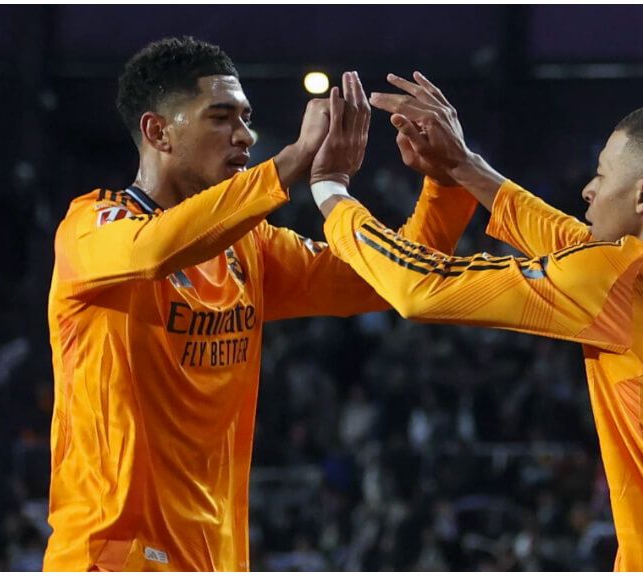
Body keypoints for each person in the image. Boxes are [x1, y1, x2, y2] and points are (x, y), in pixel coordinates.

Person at [308, 71, 643, 571]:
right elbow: (581, 248)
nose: (588, 190)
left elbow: (421, 288)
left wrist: (332, 191)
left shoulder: (623, 280)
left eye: (602, 175)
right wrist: (464, 166)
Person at [43, 40, 476, 571]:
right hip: (112, 556)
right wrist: (292, 161)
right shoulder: (90, 227)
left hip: (218, 558)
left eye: (245, 118)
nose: (244, 135)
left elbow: (382, 280)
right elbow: (152, 251)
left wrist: (447, 181)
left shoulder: (249, 246)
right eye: (220, 117)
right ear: (158, 132)